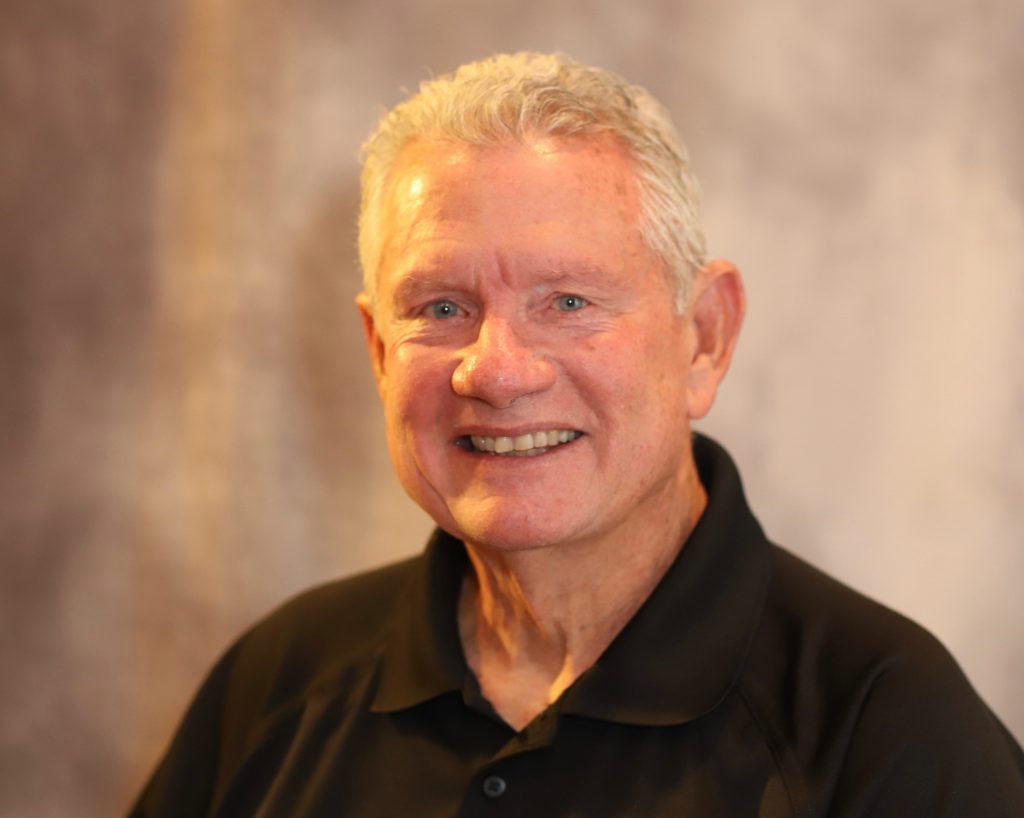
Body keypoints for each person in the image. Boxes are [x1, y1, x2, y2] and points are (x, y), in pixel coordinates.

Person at [129, 52, 1024, 816]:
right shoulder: (275, 687)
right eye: (441, 307)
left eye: (568, 302)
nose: (498, 370)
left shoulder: (883, 730)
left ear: (703, 338)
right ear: (376, 350)